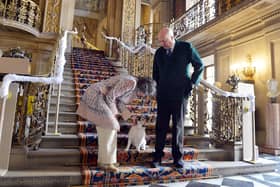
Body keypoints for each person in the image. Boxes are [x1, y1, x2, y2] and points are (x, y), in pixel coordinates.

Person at [76, 74, 156, 172]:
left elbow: (119, 102)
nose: (144, 96)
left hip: (104, 98)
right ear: (143, 88)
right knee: (110, 126)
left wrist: (130, 117)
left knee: (109, 128)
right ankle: (106, 163)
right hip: (97, 95)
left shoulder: (134, 87)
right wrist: (114, 115)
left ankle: (107, 161)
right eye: (145, 94)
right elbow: (110, 96)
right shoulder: (131, 82)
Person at [152, 27, 204, 168]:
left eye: (164, 41)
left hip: (180, 94)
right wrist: (155, 90)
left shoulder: (186, 47)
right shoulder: (158, 52)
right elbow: (155, 74)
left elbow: (199, 65)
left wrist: (192, 83)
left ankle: (177, 158)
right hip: (163, 94)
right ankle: (157, 157)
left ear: (172, 37)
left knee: (178, 126)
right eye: (160, 41)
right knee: (160, 127)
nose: (162, 44)